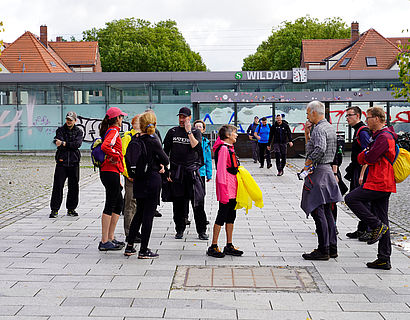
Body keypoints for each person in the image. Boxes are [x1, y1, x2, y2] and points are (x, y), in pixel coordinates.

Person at [345, 107, 397, 270]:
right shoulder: (380, 136)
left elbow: (369, 157)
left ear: (377, 118)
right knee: (384, 220)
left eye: (368, 118)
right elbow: (365, 156)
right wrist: (366, 155)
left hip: (379, 181)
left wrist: (366, 154)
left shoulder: (383, 137)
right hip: (382, 180)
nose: (366, 121)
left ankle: (375, 225)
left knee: (351, 198)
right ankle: (384, 258)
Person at [300, 101, 343, 260]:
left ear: (313, 112)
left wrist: (308, 163)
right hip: (327, 172)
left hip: (319, 172)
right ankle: (332, 247)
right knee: (327, 212)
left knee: (319, 212)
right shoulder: (329, 127)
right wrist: (307, 135)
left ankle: (323, 249)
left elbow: (319, 149)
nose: (306, 116)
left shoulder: (319, 128)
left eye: (307, 113)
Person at [124, 111, 169, 258]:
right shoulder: (153, 139)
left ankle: (129, 246)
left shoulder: (135, 138)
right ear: (154, 124)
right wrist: (160, 163)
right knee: (148, 215)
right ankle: (144, 249)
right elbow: (165, 159)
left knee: (139, 213)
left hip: (139, 180)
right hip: (152, 179)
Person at [163, 107, 208, 240]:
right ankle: (179, 229)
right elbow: (165, 152)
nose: (182, 120)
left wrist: (189, 132)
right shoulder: (172, 132)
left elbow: (196, 146)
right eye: (180, 117)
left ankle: (201, 230)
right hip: (177, 172)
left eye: (184, 117)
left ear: (190, 117)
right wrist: (167, 171)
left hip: (192, 172)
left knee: (198, 202)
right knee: (178, 203)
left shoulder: (195, 132)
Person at [207, 124, 243, 258]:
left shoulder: (229, 148)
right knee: (221, 215)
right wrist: (223, 192)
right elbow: (221, 171)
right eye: (235, 132)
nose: (237, 135)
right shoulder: (223, 149)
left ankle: (229, 245)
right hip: (226, 189)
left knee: (231, 216)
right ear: (227, 135)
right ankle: (214, 246)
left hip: (233, 188)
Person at [98, 106, 128, 251]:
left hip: (111, 171)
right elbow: (105, 146)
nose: (122, 119)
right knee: (111, 204)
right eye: (121, 117)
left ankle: (110, 237)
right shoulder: (114, 131)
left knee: (118, 204)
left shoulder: (110, 130)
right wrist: (116, 155)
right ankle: (104, 241)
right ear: (117, 119)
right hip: (110, 171)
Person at [343, 106, 372, 241]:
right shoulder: (358, 131)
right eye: (346, 115)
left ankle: (369, 229)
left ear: (358, 116)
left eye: (350, 115)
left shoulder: (363, 131)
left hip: (362, 172)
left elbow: (368, 153)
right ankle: (362, 229)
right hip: (357, 170)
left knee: (361, 200)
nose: (347, 118)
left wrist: (362, 174)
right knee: (359, 200)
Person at [49, 111, 83, 218]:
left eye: (71, 120)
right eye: (67, 119)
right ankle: (54, 209)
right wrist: (66, 144)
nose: (68, 121)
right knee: (58, 186)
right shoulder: (60, 130)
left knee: (74, 187)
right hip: (61, 162)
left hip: (74, 162)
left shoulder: (79, 131)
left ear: (75, 121)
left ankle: (71, 209)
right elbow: (58, 143)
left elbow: (77, 144)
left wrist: (64, 143)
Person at [121, 114, 140, 243]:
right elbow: (123, 156)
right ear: (133, 124)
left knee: (138, 204)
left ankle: (135, 230)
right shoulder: (128, 137)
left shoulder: (143, 136)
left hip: (141, 176)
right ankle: (129, 232)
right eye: (139, 122)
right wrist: (128, 174)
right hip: (131, 176)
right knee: (130, 203)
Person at [194, 119, 212, 225]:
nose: (198, 129)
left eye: (200, 127)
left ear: (204, 130)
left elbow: (208, 159)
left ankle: (202, 218)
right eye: (196, 127)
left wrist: (209, 174)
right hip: (191, 171)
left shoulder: (205, 142)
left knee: (201, 196)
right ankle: (185, 217)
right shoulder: (190, 140)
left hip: (201, 173)